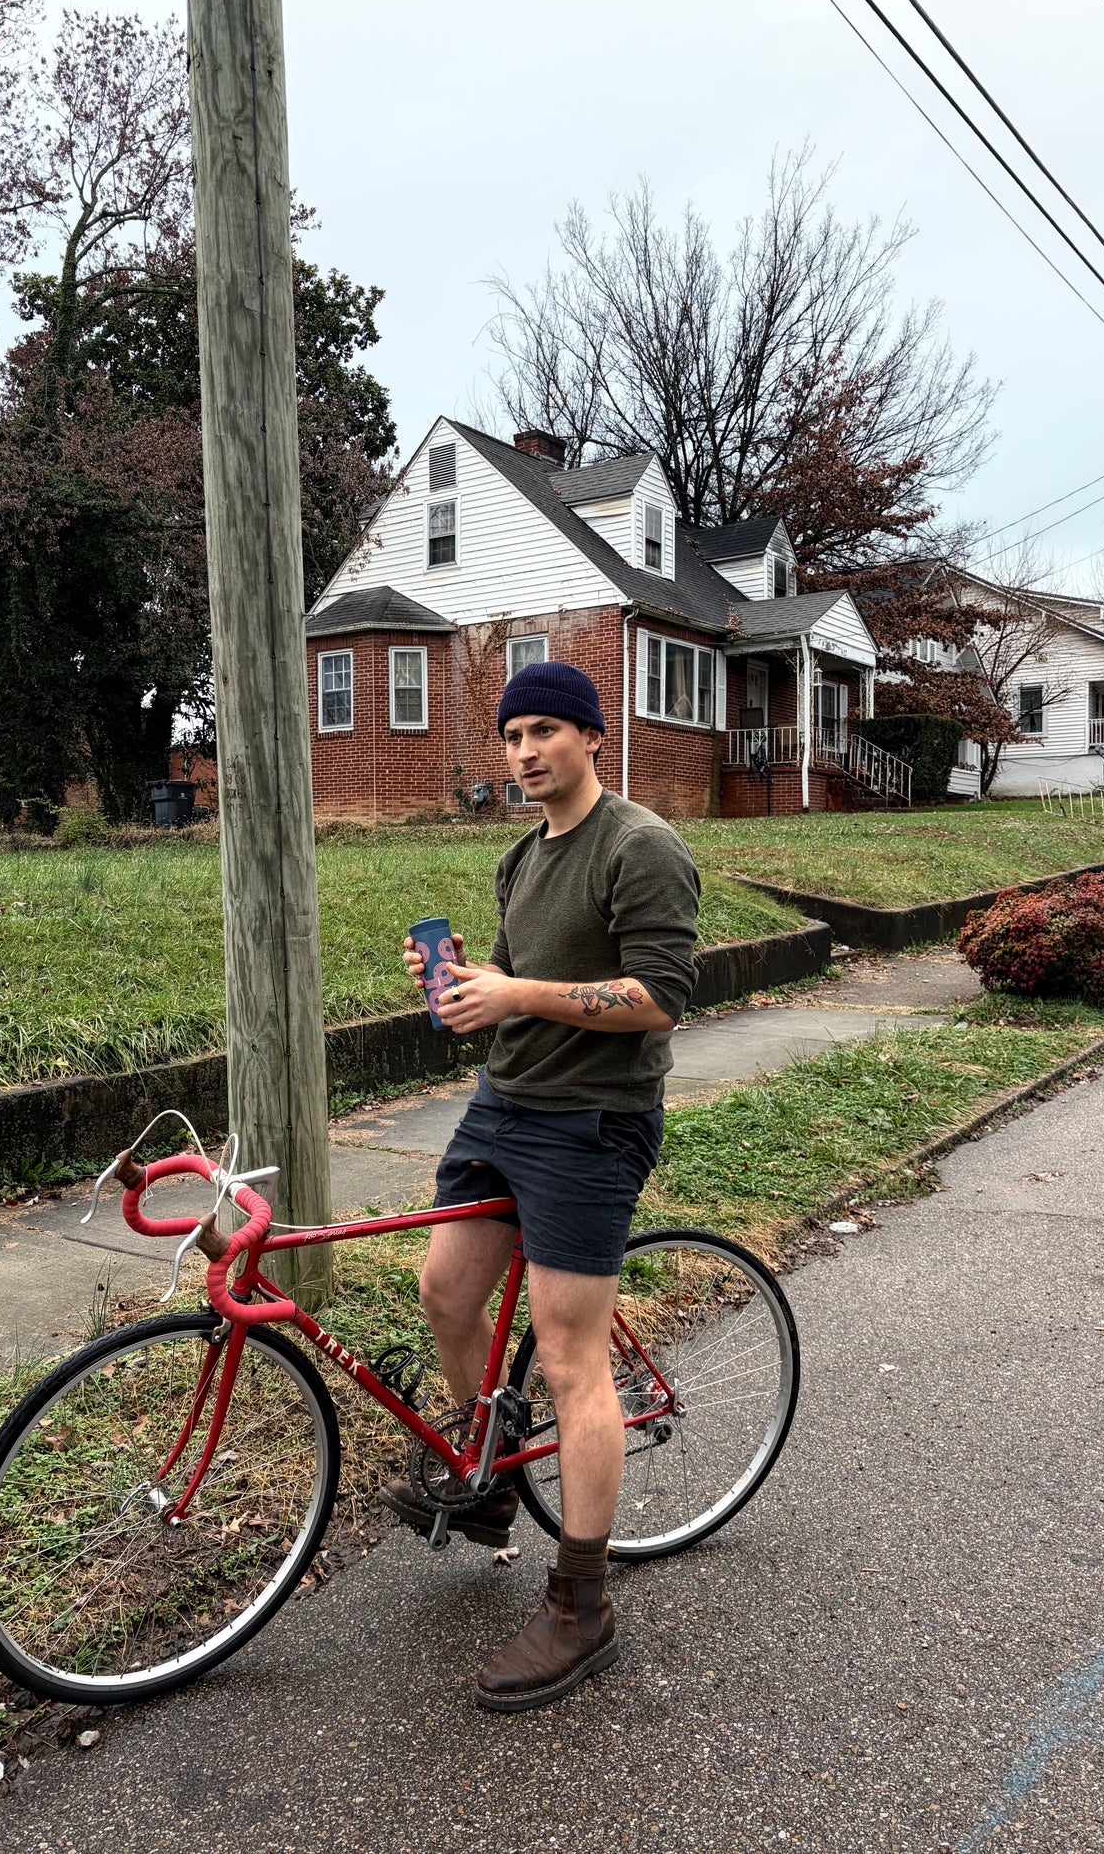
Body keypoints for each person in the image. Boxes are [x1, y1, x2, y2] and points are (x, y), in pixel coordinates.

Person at [383, 659, 701, 1712]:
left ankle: (581, 1603)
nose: (523, 752)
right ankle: (487, 1479)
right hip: (501, 1106)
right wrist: (475, 984)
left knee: (570, 1358)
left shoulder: (640, 845)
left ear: (589, 738)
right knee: (443, 1290)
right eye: (512, 734)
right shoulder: (521, 857)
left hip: (590, 1126)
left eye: (544, 732)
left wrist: (517, 988)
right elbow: (528, 987)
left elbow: (659, 995)